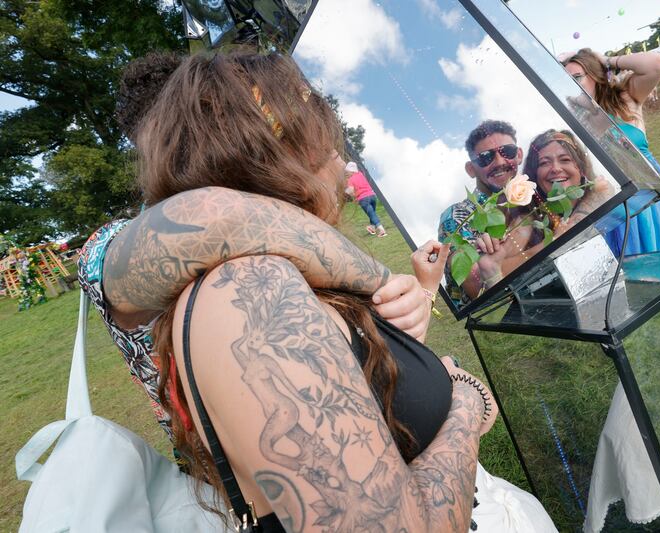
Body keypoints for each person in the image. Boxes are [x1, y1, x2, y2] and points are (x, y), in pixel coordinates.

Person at [136, 51, 557, 532]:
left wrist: (419, 297)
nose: (341, 163)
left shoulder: (280, 272)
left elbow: (365, 397)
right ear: (280, 158)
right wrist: (464, 404)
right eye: (325, 144)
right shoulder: (254, 293)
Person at [80, 52, 435, 442]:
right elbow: (216, 218)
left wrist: (415, 298)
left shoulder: (278, 228)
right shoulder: (111, 246)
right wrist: (381, 280)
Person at [561, 49, 660, 256]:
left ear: (595, 75)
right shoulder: (575, 121)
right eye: (565, 80)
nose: (571, 84)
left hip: (649, 192)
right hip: (614, 203)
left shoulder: (625, 97)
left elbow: (656, 62)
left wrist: (607, 60)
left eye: (577, 77)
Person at [437, 119, 525, 303]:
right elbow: (475, 286)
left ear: (518, 155)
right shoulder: (457, 217)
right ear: (471, 169)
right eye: (486, 157)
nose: (500, 162)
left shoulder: (533, 198)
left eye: (506, 151)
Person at [344, 161, 387, 237]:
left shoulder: (350, 180)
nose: (346, 174)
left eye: (347, 172)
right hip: (372, 196)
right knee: (372, 213)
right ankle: (372, 228)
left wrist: (346, 193)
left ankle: (381, 230)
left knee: (372, 214)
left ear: (351, 171)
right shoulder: (361, 174)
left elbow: (350, 190)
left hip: (363, 199)